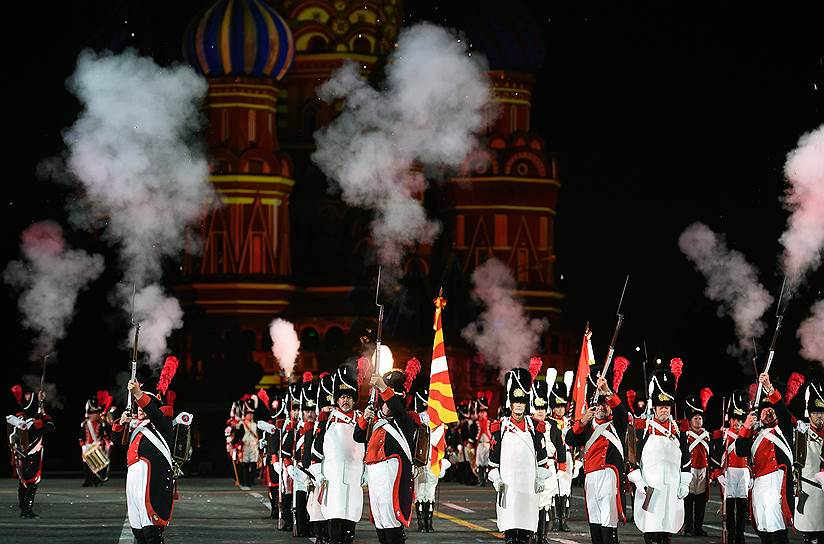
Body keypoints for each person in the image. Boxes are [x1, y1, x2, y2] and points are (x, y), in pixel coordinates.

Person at [354, 362, 422, 544]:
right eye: (383, 403)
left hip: (393, 473)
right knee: (379, 518)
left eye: (391, 402)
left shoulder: (406, 421)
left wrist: (383, 387)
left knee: (391, 516)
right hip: (375, 475)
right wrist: (364, 418)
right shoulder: (375, 421)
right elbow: (358, 437)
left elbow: (397, 408)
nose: (387, 407)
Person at [488, 366, 551, 544]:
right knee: (510, 532)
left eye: (522, 402)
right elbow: (492, 463)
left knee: (525, 533)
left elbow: (543, 458)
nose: (519, 405)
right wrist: (497, 480)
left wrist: (539, 477)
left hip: (529, 488)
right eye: (516, 402)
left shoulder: (535, 428)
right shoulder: (499, 428)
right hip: (508, 488)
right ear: (510, 403)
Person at [565, 366, 628, 544]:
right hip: (591, 477)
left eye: (604, 405)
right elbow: (570, 439)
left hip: (609, 475)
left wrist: (607, 392)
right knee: (594, 518)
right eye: (598, 404)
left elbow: (622, 412)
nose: (601, 408)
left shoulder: (617, 424)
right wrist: (583, 420)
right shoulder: (587, 425)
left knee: (608, 519)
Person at [627, 369, 690, 544]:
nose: (664, 410)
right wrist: (639, 481)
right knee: (650, 527)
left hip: (672, 485)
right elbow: (633, 458)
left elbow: (686, 459)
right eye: (661, 406)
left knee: (667, 526)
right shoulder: (643, 428)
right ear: (654, 407)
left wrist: (684, 482)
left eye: (667, 407)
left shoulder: (679, 430)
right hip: (650, 486)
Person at [112, 378, 175, 544]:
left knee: (151, 532)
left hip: (151, 478)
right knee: (139, 532)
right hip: (134, 479)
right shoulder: (136, 427)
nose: (139, 409)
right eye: (137, 407)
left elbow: (154, 412)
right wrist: (122, 422)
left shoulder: (162, 423)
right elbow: (117, 441)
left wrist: (138, 393)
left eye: (142, 406)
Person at [310, 360, 367, 544]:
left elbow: (369, 448)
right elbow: (316, 449)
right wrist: (317, 473)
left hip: (354, 477)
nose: (345, 400)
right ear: (336, 399)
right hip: (332, 479)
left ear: (354, 399)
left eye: (349, 396)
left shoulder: (362, 420)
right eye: (342, 396)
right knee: (334, 519)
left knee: (350, 517)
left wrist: (366, 471)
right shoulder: (326, 421)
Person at [735, 373, 794, 544]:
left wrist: (769, 388)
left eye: (771, 409)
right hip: (759, 484)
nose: (767, 412)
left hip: (776, 484)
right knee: (763, 527)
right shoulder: (754, 434)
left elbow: (783, 411)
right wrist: (745, 427)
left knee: (776, 527)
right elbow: (740, 451)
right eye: (764, 410)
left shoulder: (784, 428)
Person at [710, 389, 751, 544]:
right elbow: (715, 456)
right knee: (729, 506)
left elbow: (751, 456)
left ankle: (740, 534)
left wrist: (751, 474)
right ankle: (730, 533)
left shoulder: (747, 434)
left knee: (741, 506)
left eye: (739, 419)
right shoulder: (722, 434)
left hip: (743, 473)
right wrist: (718, 474)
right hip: (728, 473)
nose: (736, 423)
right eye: (733, 419)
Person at [7, 385, 55, 518]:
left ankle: (23, 508)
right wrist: (43, 412)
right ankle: (27, 511)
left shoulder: (17, 420)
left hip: (20, 457)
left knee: (23, 483)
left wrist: (40, 404)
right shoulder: (35, 423)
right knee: (32, 483)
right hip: (32, 457)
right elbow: (51, 426)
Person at [531, 372, 564, 543]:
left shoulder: (553, 426)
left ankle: (542, 536)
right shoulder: (528, 426)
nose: (541, 412)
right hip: (532, 468)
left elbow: (561, 446)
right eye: (537, 409)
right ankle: (531, 533)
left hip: (549, 468)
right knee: (533, 502)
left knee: (545, 502)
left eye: (543, 409)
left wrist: (563, 467)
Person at [283, 372, 316, 537]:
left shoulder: (318, 428)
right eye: (307, 410)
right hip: (300, 473)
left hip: (316, 473)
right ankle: (302, 528)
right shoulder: (295, 429)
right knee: (301, 505)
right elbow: (285, 452)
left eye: (312, 410)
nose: (310, 414)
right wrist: (289, 468)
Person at [305, 373, 334, 544]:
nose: (328, 410)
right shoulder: (315, 427)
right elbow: (310, 452)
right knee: (317, 506)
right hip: (319, 471)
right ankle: (320, 536)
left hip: (335, 472)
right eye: (325, 407)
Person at [794, 379, 824, 544]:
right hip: (808, 491)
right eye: (815, 412)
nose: (819, 416)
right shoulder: (801, 434)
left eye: (821, 412)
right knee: (810, 537)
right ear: (809, 414)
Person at [682, 392, 711, 537]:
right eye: (695, 419)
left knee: (701, 502)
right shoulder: (686, 435)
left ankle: (698, 527)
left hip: (703, 471)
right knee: (688, 500)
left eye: (700, 419)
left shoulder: (707, 435)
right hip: (690, 469)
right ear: (690, 420)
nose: (698, 421)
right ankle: (688, 527)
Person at [548, 371, 575, 532]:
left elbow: (575, 440)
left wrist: (578, 459)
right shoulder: (548, 423)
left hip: (568, 458)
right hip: (554, 459)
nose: (560, 409)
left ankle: (563, 520)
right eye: (557, 406)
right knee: (554, 489)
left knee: (566, 489)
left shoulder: (569, 421)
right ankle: (555, 519)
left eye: (562, 406)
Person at [411, 385, 438, 533]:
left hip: (432, 459)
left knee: (430, 491)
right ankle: (422, 523)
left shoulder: (436, 421)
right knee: (420, 490)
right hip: (420, 458)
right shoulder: (416, 420)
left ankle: (429, 523)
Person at [80, 391, 113, 486]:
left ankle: (97, 480)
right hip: (87, 447)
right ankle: (88, 480)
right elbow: (81, 436)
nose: (94, 415)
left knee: (98, 464)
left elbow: (104, 435)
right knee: (87, 465)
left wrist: (101, 443)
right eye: (92, 413)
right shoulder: (84, 424)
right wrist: (82, 445)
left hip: (97, 445)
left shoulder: (101, 424)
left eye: (95, 413)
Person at [233, 399, 259, 490]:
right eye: (248, 414)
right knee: (245, 464)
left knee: (253, 464)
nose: (250, 415)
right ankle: (245, 481)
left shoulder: (256, 424)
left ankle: (251, 481)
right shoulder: (242, 424)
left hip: (254, 446)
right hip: (245, 446)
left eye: (251, 414)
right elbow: (238, 435)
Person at [475, 392, 492, 487]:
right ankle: (480, 479)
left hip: (487, 444)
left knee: (486, 463)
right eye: (480, 412)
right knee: (480, 463)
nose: (482, 413)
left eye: (483, 412)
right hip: (480, 444)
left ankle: (486, 479)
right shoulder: (476, 423)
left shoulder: (490, 422)